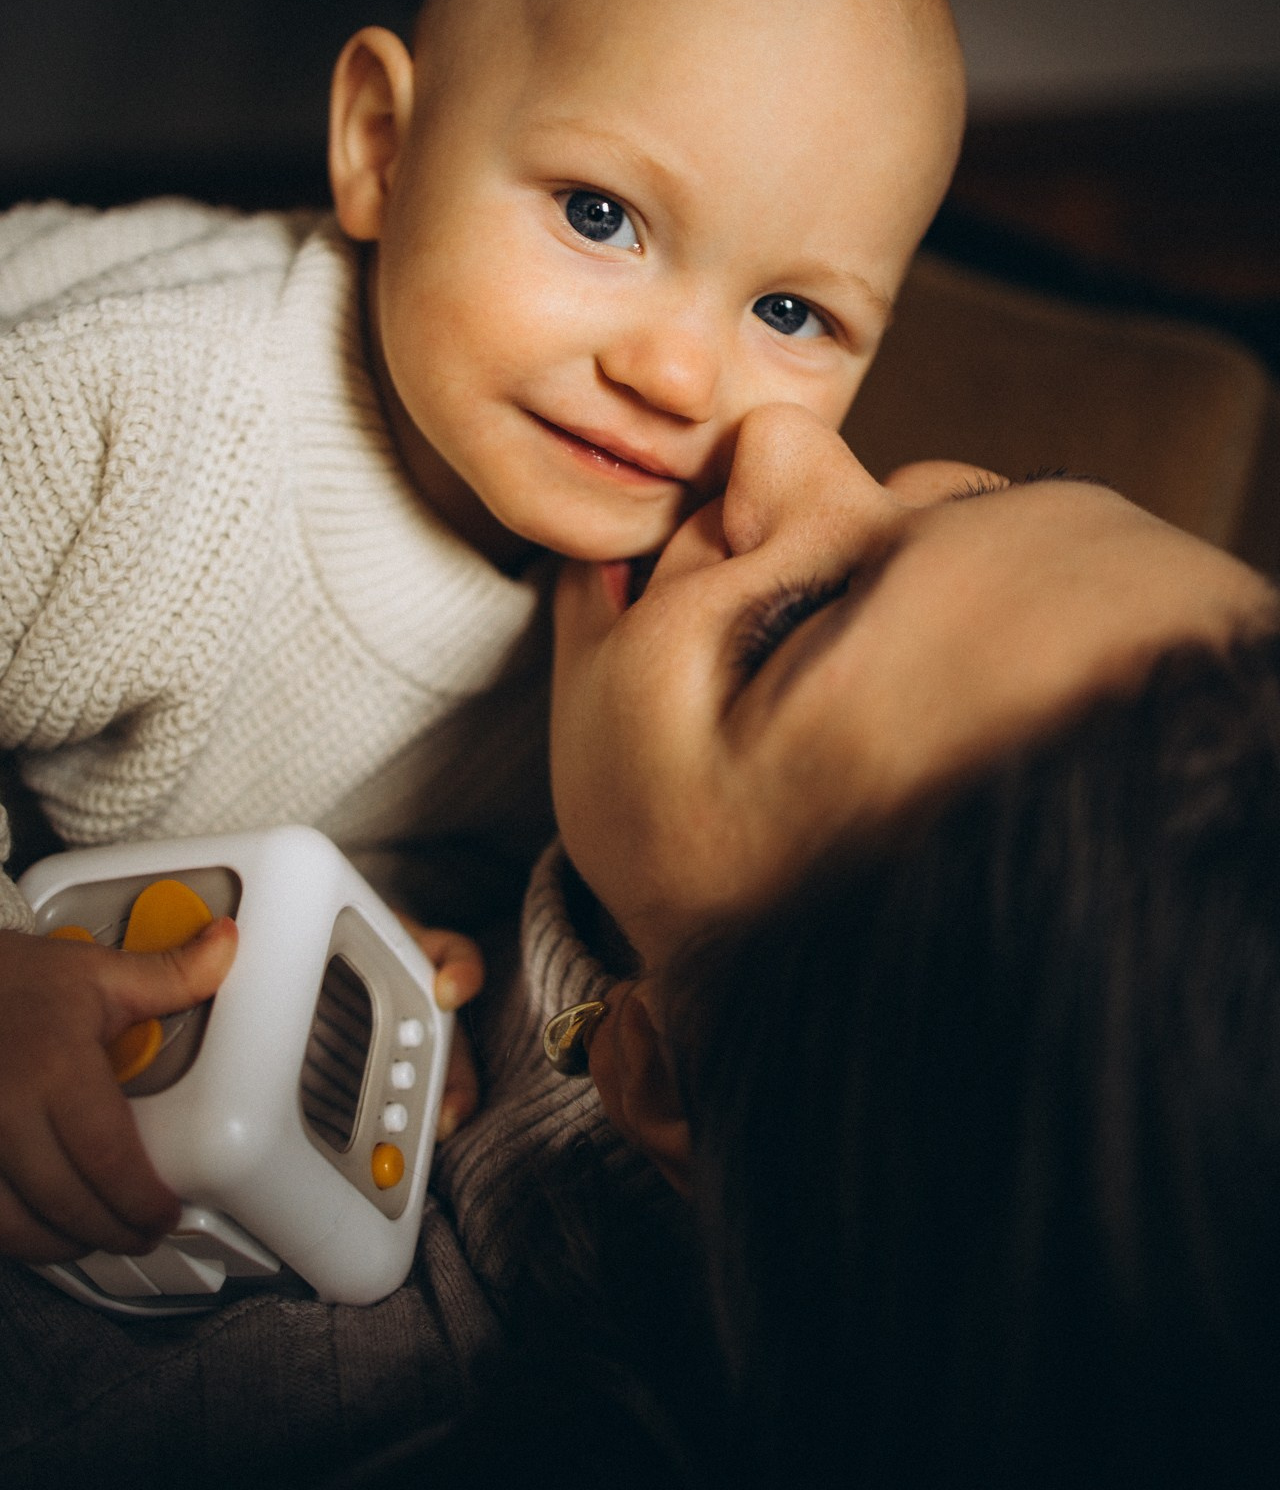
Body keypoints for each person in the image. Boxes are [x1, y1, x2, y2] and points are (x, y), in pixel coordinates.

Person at [0, 0, 965, 1268]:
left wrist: (383, 928)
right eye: (600, 215)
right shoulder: (140, 409)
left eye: (790, 313)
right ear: (382, 148)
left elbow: (413, 810)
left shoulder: (644, 633)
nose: (677, 375)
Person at [2, 406, 1276, 1485]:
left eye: (790, 628)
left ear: (664, 1075)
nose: (785, 435)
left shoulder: (224, 1402)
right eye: (993, 491)